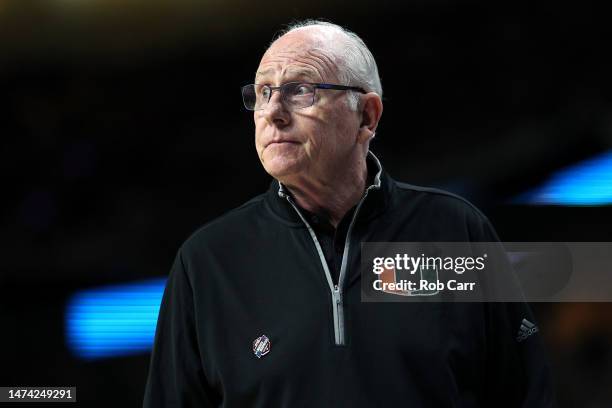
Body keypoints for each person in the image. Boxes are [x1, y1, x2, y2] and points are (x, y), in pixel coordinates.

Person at [143, 20, 555, 407]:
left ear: (367, 116)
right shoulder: (208, 260)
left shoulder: (454, 229)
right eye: (263, 92)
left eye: (300, 90)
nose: (272, 112)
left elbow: (524, 393)